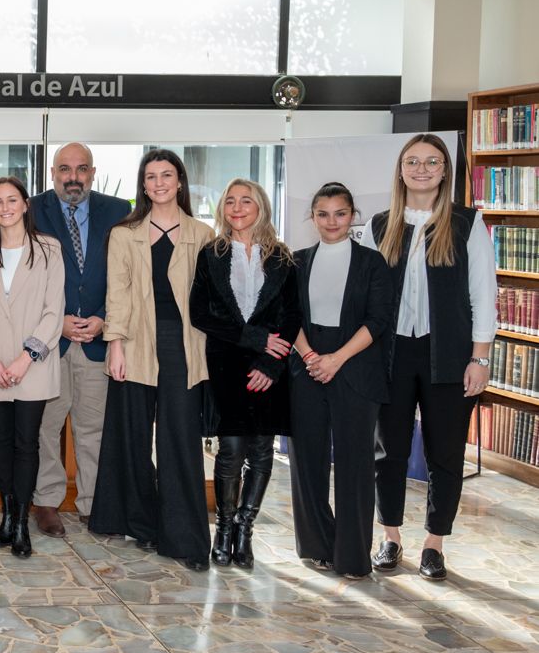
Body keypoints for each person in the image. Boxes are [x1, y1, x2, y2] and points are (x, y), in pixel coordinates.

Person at [363, 133, 496, 581]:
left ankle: (434, 543)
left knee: (445, 453)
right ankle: (391, 536)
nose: (422, 169)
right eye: (413, 161)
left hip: (450, 356)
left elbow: (483, 295)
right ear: (400, 170)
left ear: (445, 170)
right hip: (391, 355)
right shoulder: (379, 226)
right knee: (389, 451)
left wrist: (480, 358)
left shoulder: (467, 223)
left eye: (432, 162)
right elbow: (363, 296)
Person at [90, 149, 215, 570]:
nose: (159, 182)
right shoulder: (124, 234)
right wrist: (115, 344)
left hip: (185, 346)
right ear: (142, 186)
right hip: (136, 341)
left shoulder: (205, 235)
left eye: (166, 175)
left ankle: (184, 539)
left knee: (179, 441)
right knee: (132, 436)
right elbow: (117, 293)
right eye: (150, 176)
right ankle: (139, 524)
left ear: (180, 181)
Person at [188, 178, 300, 569]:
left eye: (246, 201)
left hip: (270, 368)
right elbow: (200, 314)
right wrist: (253, 338)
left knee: (261, 451)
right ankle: (223, 528)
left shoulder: (283, 257)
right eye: (230, 201)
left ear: (261, 207)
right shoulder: (211, 255)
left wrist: (272, 364)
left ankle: (244, 529)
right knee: (231, 450)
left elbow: (292, 317)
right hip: (227, 364)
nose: (237, 208)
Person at [291, 183, 393, 579]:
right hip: (307, 365)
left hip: (355, 365)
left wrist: (336, 359)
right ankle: (318, 546)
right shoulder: (297, 262)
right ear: (312, 217)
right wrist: (312, 357)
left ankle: (353, 556)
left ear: (353, 216)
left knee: (355, 464)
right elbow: (288, 316)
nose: (331, 222)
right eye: (322, 214)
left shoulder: (373, 263)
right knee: (307, 462)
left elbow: (378, 319)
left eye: (340, 213)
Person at [0, 177, 65, 558]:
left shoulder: (49, 249)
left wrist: (26, 358)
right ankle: (6, 516)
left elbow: (55, 310)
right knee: (0, 442)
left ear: (25, 204)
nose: (5, 207)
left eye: (11, 200)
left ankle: (22, 522)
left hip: (32, 365)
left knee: (27, 442)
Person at [32, 142, 130, 533]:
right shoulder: (33, 209)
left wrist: (105, 319)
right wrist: (55, 324)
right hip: (49, 340)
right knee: (44, 427)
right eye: (65, 169)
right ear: (52, 173)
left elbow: (127, 276)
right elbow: (22, 276)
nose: (73, 177)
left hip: (97, 340)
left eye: (81, 169)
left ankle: (93, 503)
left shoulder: (119, 212)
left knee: (93, 428)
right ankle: (46, 502)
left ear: (92, 172)